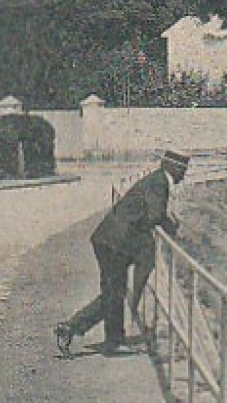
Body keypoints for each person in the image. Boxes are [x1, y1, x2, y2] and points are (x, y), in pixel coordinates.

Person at [56, 150, 188, 356]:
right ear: (174, 167)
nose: (184, 175)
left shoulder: (155, 180)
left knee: (113, 292)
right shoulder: (160, 183)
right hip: (115, 243)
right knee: (113, 292)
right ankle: (77, 329)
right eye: (183, 169)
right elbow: (154, 215)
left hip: (110, 240)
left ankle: (104, 337)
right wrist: (172, 227)